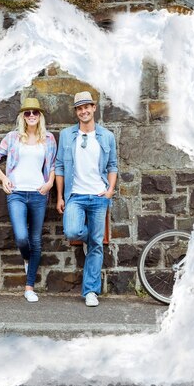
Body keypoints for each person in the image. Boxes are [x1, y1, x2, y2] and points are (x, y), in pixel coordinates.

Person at [0, 98, 57, 303]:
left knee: (35, 239)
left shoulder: (49, 139)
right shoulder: (12, 138)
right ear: (22, 117)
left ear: (40, 115)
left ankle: (29, 287)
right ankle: (27, 257)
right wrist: (3, 178)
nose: (32, 116)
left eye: (35, 112)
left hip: (38, 193)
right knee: (21, 237)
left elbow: (52, 165)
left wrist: (50, 183)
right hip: (16, 193)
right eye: (27, 113)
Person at [55, 91, 118, 307]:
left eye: (87, 107)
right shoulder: (66, 135)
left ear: (93, 108)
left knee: (96, 247)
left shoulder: (107, 136)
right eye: (79, 108)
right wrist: (60, 197)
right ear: (76, 112)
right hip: (75, 196)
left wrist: (110, 190)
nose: (83, 111)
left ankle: (91, 291)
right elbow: (60, 166)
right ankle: (91, 237)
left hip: (99, 196)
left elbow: (112, 166)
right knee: (73, 231)